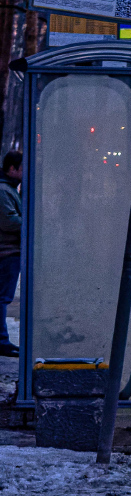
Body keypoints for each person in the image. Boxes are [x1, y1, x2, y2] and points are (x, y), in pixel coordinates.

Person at [0, 151, 21, 357]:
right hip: (8, 251)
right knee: (2, 299)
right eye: (22, 168)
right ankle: (1, 341)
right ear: (12, 169)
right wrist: (31, 221)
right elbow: (9, 222)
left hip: (8, 251)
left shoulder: (9, 189)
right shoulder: (4, 191)